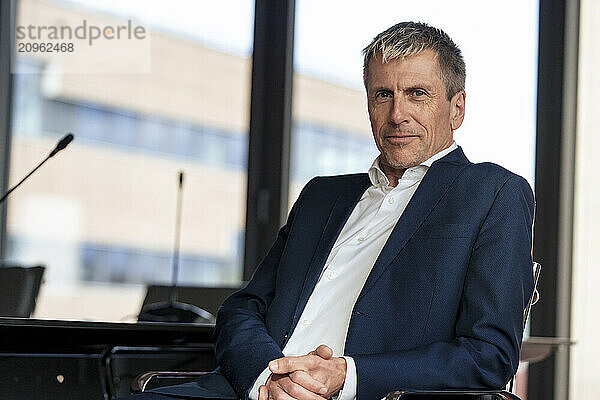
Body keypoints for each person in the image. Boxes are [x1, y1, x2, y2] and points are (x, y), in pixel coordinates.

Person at [120, 21, 535, 400]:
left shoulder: (493, 193)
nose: (397, 115)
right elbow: (242, 308)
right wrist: (267, 380)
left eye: (417, 95)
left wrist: (346, 375)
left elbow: (488, 356)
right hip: (251, 389)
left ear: (457, 108)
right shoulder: (322, 196)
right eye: (382, 95)